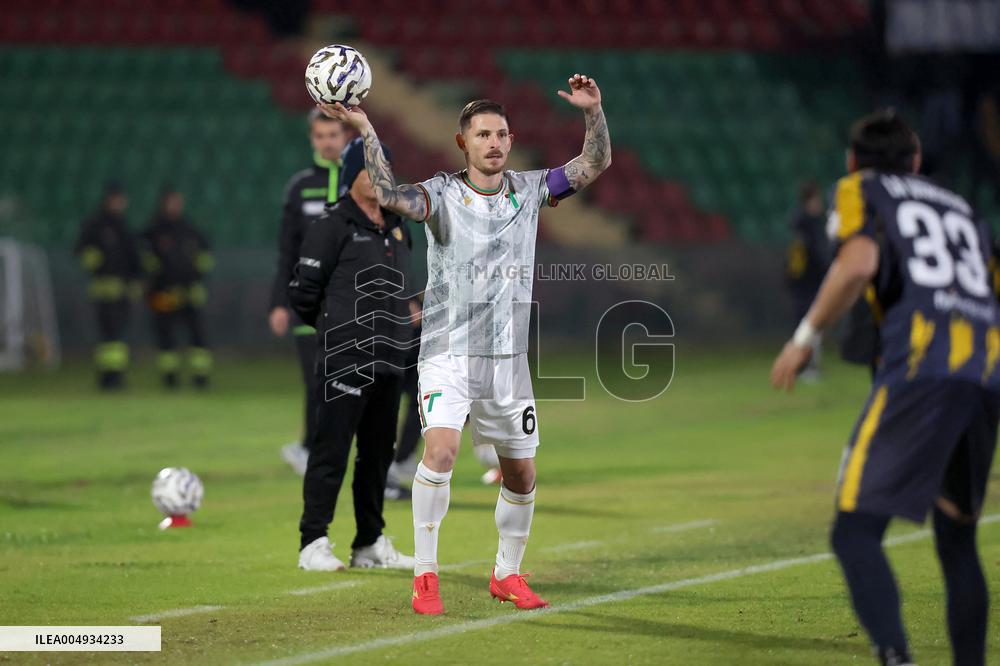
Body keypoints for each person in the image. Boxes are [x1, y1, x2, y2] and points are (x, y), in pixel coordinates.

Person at [321, 72, 612, 614]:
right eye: (482, 135)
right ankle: (426, 575)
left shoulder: (530, 190)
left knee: (522, 474)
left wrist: (592, 113)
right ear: (463, 142)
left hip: (509, 361)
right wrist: (363, 126)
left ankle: (507, 574)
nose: (494, 143)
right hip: (447, 354)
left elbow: (593, 165)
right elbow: (385, 193)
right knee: (443, 450)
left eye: (501, 134)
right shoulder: (441, 194)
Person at [771, 110, 998, 666]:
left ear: (852, 162)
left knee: (854, 533)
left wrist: (804, 337)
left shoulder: (859, 188)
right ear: (916, 162)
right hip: (985, 375)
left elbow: (857, 263)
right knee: (957, 538)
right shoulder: (963, 206)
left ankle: (896, 657)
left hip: (922, 371)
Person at [288, 137, 415, 572]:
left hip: (389, 357)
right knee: (331, 452)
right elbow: (303, 294)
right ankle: (313, 542)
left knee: (378, 456)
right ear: (350, 176)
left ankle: (369, 543)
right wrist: (336, 328)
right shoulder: (331, 225)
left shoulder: (397, 224)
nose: (381, 176)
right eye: (371, 168)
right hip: (345, 358)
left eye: (386, 167)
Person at [271, 109, 349, 476]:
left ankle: (331, 450)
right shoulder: (300, 187)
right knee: (316, 380)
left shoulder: (361, 180)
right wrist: (278, 303)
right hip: (307, 302)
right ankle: (310, 449)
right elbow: (286, 250)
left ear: (345, 136)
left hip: (352, 300)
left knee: (350, 379)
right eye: (320, 136)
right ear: (312, 140)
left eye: (333, 134)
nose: (327, 142)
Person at [141, 187, 214, 388]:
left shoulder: (189, 230)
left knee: (197, 336)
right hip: (164, 293)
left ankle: (201, 377)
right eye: (172, 201)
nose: (175, 205)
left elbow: (205, 258)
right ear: (164, 203)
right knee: (165, 335)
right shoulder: (154, 231)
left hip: (189, 293)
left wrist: (195, 278)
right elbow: (148, 263)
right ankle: (169, 378)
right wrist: (160, 283)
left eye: (178, 201)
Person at [73, 182, 141, 390]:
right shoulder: (95, 224)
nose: (119, 203)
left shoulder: (123, 225)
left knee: (117, 335)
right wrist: (99, 265)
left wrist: (135, 281)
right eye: (115, 199)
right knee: (108, 334)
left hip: (122, 288)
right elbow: (82, 251)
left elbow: (133, 258)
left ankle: (116, 375)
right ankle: (107, 376)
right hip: (103, 287)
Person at [784, 180, 829, 380]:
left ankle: (806, 365)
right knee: (811, 325)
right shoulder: (808, 228)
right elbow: (812, 257)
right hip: (808, 283)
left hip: (800, 284)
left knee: (807, 324)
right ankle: (806, 366)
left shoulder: (798, 226)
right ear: (811, 200)